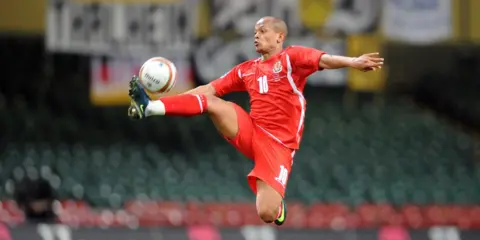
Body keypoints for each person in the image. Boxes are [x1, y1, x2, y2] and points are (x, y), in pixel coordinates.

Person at [127, 16, 384, 226]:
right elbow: (208, 90)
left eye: (262, 31)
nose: (256, 35)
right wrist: (166, 102)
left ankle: (277, 205)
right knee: (214, 104)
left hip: (278, 146)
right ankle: (149, 108)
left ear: (279, 37)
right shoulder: (246, 69)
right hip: (251, 130)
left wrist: (353, 62)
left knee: (266, 213)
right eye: (255, 32)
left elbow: (323, 59)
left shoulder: (291, 58)